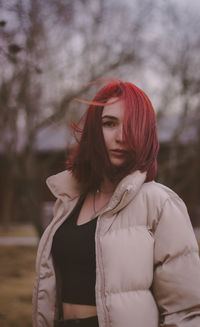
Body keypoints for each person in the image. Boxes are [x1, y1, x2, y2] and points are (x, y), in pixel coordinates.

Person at [32, 80, 200, 327]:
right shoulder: (69, 201)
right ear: (93, 130)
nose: (121, 136)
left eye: (132, 125)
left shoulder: (160, 203)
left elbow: (185, 312)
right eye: (109, 123)